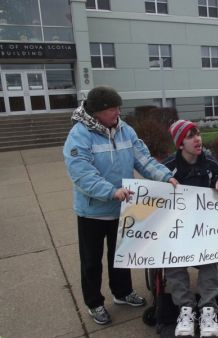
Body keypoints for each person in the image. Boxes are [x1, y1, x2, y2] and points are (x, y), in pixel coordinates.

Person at [63, 86, 177, 325]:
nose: (118, 112)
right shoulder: (79, 135)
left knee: (122, 256)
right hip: (92, 212)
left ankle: (122, 292)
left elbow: (143, 159)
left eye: (118, 107)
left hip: (123, 208)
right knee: (92, 261)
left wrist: (166, 177)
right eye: (112, 108)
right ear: (97, 112)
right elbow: (82, 174)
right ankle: (94, 303)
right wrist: (111, 192)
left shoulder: (125, 130)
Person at [162, 119, 218, 337]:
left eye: (198, 134)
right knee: (172, 260)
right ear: (180, 144)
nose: (198, 139)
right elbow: (154, 199)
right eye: (191, 136)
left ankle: (208, 309)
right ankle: (185, 308)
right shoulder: (168, 168)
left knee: (210, 258)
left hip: (204, 229)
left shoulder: (210, 163)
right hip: (178, 229)